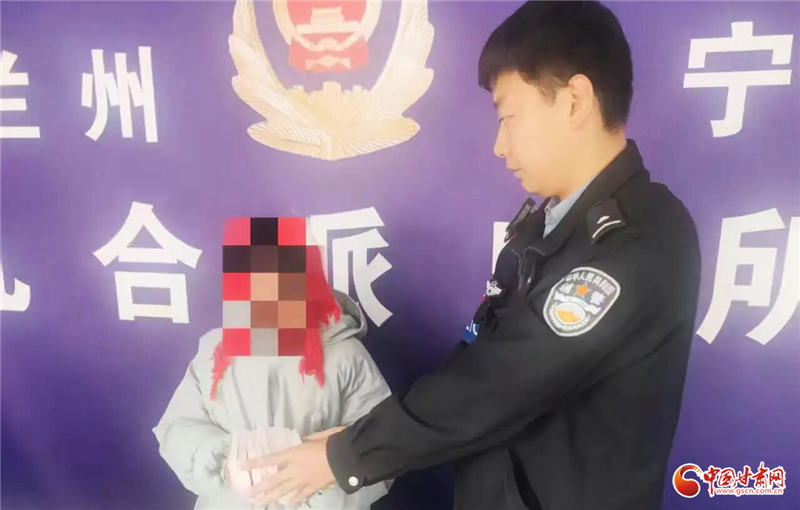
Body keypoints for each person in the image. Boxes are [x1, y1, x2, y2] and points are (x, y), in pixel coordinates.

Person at [241, 2, 702, 509]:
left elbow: (504, 380)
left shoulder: (639, 239)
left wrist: (348, 455)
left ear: (574, 101)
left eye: (509, 117)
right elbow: (476, 361)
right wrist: (358, 439)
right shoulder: (538, 229)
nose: (499, 145)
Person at [152, 235, 393, 510]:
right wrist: (225, 460)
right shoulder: (214, 351)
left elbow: (380, 450)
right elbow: (177, 428)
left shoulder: (346, 356)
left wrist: (313, 484)